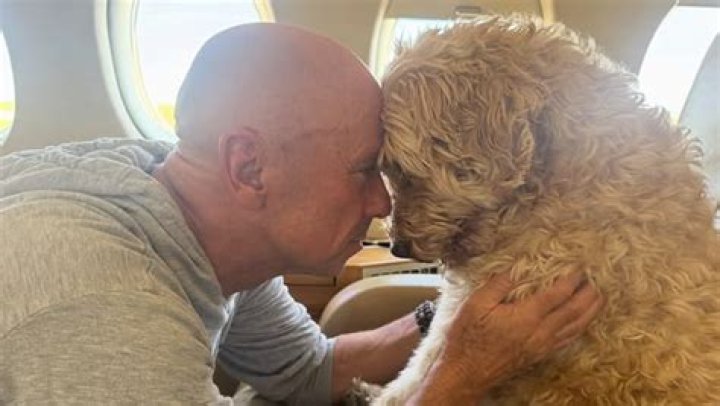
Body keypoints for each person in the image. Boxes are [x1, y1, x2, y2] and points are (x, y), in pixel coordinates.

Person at [0, 23, 603, 405]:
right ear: (249, 166)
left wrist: (445, 321)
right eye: (363, 169)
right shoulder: (103, 303)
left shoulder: (212, 228)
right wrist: (461, 375)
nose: (383, 203)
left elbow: (306, 372)